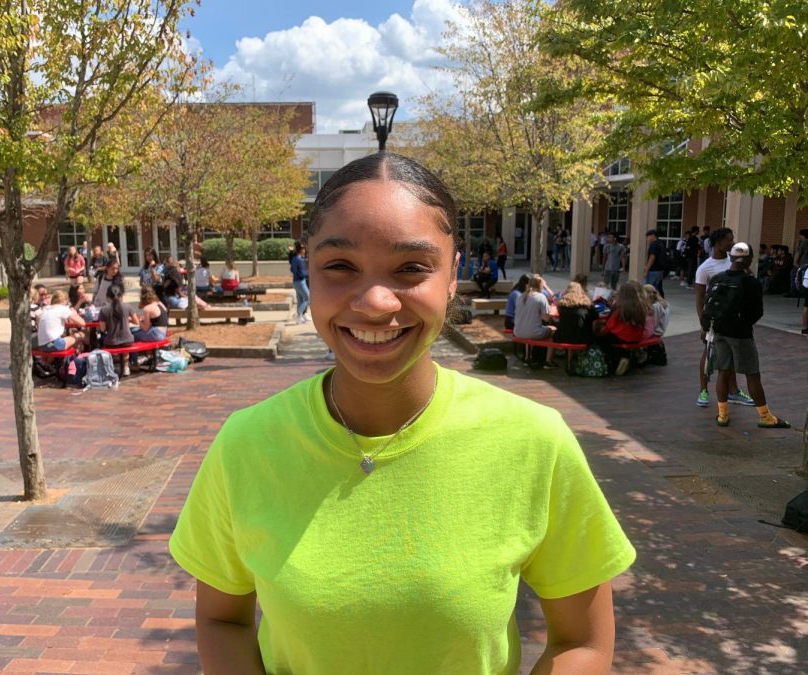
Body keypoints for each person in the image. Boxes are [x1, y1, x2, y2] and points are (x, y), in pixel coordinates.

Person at [169, 153, 635, 675]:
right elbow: (221, 621)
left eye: (411, 268)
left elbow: (582, 641)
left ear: (453, 276)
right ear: (311, 272)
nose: (373, 302)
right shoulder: (246, 444)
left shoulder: (534, 440)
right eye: (340, 266)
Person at [708, 243, 789, 429]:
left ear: (731, 257)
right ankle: (765, 416)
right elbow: (757, 312)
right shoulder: (751, 282)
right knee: (752, 374)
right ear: (749, 259)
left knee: (723, 371)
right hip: (740, 334)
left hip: (718, 330)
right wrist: (744, 324)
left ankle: (722, 415)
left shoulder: (717, 278)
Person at [694, 227, 753, 408]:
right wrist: (703, 325)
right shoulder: (705, 268)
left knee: (731, 356)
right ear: (718, 243)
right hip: (714, 320)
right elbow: (700, 298)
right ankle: (703, 391)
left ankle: (733, 392)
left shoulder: (735, 262)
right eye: (729, 239)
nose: (732, 243)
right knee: (708, 354)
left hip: (733, 321)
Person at [592, 280, 650, 376]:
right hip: (636, 338)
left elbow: (610, 325)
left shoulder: (619, 306)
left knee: (598, 338)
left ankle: (619, 357)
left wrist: (600, 330)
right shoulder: (640, 306)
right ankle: (625, 356)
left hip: (621, 337)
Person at [513, 274, 557, 367]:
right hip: (534, 333)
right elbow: (546, 318)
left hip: (517, 332)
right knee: (554, 330)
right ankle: (548, 360)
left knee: (532, 328)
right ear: (541, 286)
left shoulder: (520, 296)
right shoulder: (541, 297)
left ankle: (528, 356)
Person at [99, 284, 136, 376]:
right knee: (126, 339)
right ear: (122, 295)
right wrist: (127, 319)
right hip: (128, 340)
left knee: (101, 341)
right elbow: (136, 321)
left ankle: (111, 366)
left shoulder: (104, 310)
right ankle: (126, 367)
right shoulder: (128, 306)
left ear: (107, 296)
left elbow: (102, 329)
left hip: (112, 342)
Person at [553, 281, 599, 346]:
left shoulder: (561, 305)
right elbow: (595, 318)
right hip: (582, 338)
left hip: (562, 337)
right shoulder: (587, 304)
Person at [642, 229, 667, 297]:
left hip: (653, 270)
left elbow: (652, 258)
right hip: (660, 270)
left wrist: (646, 270)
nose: (647, 239)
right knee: (657, 288)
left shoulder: (653, 245)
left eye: (648, 236)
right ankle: (660, 302)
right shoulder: (661, 243)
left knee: (649, 289)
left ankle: (651, 303)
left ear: (653, 235)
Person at [290, 242, 310, 324]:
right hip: (301, 282)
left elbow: (292, 269)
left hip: (295, 281)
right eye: (304, 249)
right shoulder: (299, 260)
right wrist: (308, 274)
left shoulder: (294, 259)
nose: (304, 250)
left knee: (300, 299)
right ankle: (298, 314)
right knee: (308, 298)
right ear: (301, 250)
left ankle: (299, 318)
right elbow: (302, 273)